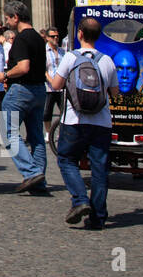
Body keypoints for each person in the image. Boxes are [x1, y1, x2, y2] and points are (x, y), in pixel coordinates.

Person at [50, 17, 117, 229]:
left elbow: (56, 85)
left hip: (74, 120)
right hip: (101, 122)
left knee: (67, 160)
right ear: (98, 36)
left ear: (79, 34)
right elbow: (115, 93)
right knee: (100, 169)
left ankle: (80, 200)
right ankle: (98, 218)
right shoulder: (107, 61)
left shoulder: (71, 57)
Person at [0, 1, 49, 195]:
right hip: (39, 90)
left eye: (8, 18)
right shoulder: (37, 37)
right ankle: (39, 181)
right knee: (36, 137)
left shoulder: (21, 39)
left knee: (8, 131)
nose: (7, 22)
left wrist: (5, 75)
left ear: (16, 17)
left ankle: (31, 172)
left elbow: (23, 66)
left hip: (21, 90)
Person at [41, 27, 63, 141]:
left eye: (57, 36)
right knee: (47, 112)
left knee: (63, 112)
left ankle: (61, 132)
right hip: (49, 87)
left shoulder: (62, 51)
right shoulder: (43, 51)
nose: (55, 38)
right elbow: (43, 70)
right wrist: (52, 81)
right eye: (53, 36)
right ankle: (48, 132)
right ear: (47, 38)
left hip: (61, 88)